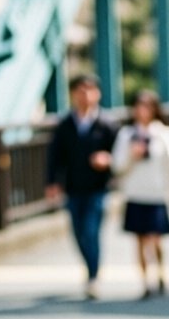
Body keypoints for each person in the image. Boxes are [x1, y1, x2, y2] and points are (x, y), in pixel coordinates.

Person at [112, 90, 169, 299]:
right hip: (135, 194)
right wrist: (131, 155)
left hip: (157, 194)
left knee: (155, 239)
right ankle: (146, 282)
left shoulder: (164, 134)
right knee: (139, 240)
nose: (142, 111)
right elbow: (117, 166)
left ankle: (161, 272)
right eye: (139, 106)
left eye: (147, 106)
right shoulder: (127, 135)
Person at [44, 73, 116, 301]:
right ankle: (90, 267)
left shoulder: (107, 124)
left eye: (89, 90)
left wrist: (108, 160)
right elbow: (55, 156)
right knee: (77, 232)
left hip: (98, 187)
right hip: (73, 187)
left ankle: (93, 276)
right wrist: (52, 182)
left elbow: (120, 153)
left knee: (91, 230)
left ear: (98, 94)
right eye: (80, 90)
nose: (85, 95)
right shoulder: (66, 124)